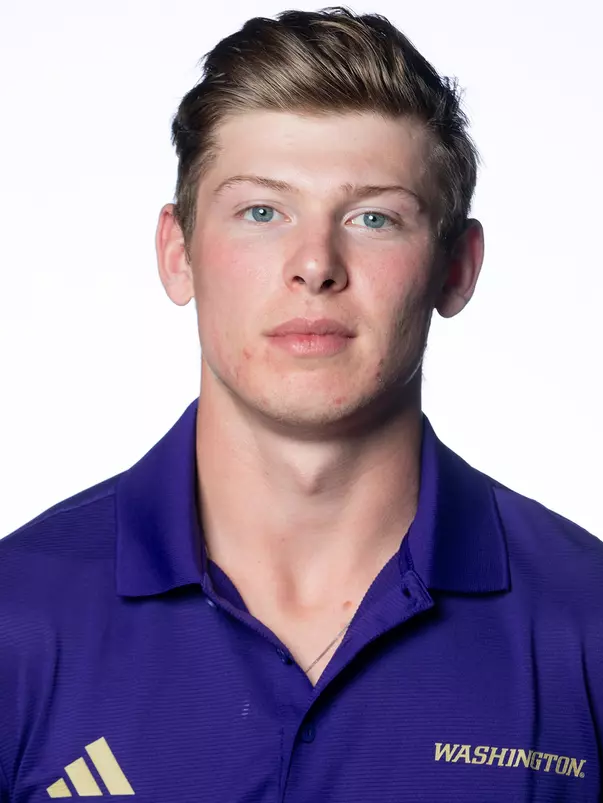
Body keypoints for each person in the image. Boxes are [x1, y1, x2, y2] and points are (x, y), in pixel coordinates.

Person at [1, 6, 602, 802]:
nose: (315, 264)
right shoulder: (18, 618)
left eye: (373, 217)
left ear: (455, 269)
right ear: (177, 254)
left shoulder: (584, 624)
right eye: (261, 211)